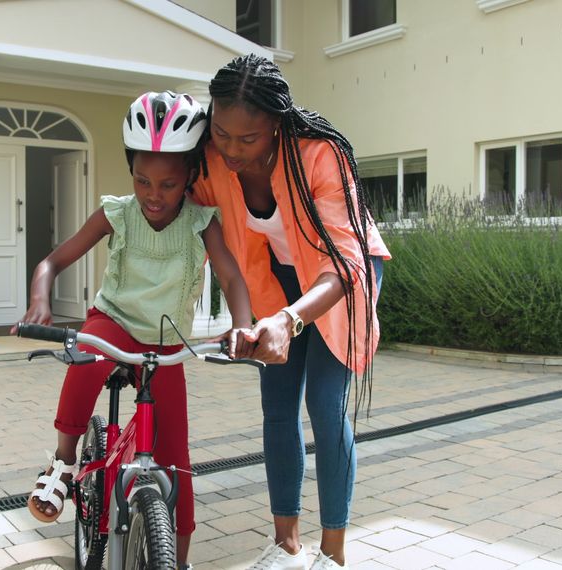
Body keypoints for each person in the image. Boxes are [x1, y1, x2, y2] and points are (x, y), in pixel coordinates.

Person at [14, 90, 254, 568]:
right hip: (115, 323)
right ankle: (63, 465)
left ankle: (178, 559)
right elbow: (52, 261)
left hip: (165, 342)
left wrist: (242, 324)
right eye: (142, 180)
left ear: (189, 176)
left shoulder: (201, 223)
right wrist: (40, 301)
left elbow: (231, 277)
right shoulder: (118, 213)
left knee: (176, 460)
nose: (153, 195)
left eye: (167, 183)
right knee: (85, 363)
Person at [190, 54, 390, 570]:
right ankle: (285, 547)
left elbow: (344, 261)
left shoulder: (320, 155)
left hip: (339, 276)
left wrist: (288, 320)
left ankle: (333, 553)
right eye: (221, 133)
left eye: (247, 139)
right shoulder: (211, 157)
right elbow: (183, 205)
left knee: (325, 405)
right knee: (278, 407)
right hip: (274, 276)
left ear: (276, 126)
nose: (231, 150)